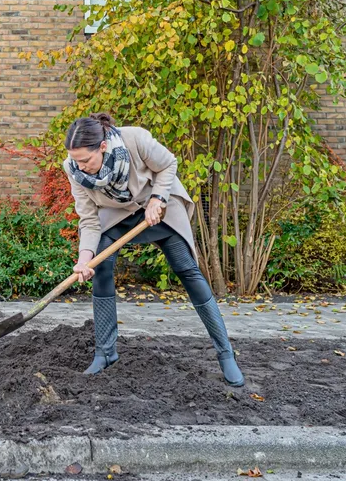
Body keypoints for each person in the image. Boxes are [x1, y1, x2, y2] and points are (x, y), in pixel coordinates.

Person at [63, 113, 243, 386]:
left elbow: (169, 164)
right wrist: (84, 259)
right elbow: (89, 219)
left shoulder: (134, 139)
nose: (81, 166)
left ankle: (225, 354)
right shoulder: (75, 169)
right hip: (117, 215)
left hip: (160, 206)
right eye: (76, 160)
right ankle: (105, 353)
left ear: (102, 146)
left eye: (85, 160)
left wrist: (158, 199)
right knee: (99, 269)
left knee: (186, 269)